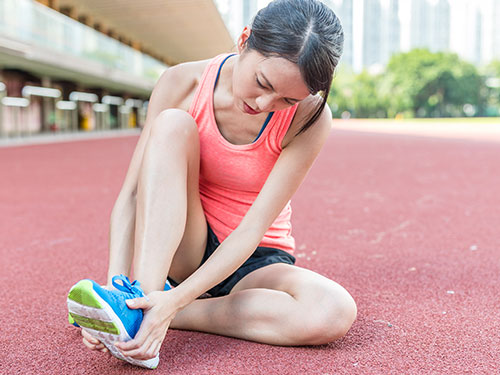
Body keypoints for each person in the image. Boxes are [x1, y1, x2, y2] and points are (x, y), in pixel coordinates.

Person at [67, 0, 357, 369]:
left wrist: (175, 303)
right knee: (173, 124)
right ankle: (136, 301)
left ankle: (153, 310)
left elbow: (252, 228)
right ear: (244, 39)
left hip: (254, 261)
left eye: (287, 99)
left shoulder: (312, 118)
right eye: (262, 83)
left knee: (333, 311)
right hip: (187, 247)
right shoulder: (181, 82)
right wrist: (114, 286)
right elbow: (133, 195)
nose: (264, 103)